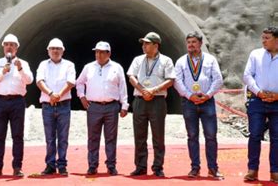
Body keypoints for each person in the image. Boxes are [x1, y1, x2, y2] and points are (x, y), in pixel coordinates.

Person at [174, 31, 224, 179]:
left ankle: (213, 168)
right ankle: (195, 167)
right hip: (189, 102)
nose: (191, 45)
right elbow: (177, 81)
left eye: (194, 42)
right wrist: (190, 95)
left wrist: (207, 95)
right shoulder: (181, 61)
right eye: (188, 42)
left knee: (210, 136)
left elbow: (218, 79)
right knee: (192, 136)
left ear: (200, 43)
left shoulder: (210, 59)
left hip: (207, 101)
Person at [76, 41, 129, 176]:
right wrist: (82, 97)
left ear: (108, 53)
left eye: (101, 52)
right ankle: (92, 165)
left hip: (111, 106)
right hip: (93, 106)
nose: (98, 55)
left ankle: (111, 165)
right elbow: (79, 82)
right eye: (96, 52)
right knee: (93, 137)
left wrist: (124, 105)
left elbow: (122, 87)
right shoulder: (88, 67)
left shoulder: (117, 67)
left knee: (111, 137)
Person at [127, 32, 175, 177]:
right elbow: (131, 76)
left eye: (147, 43)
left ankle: (158, 167)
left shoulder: (166, 61)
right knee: (139, 136)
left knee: (158, 136)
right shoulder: (138, 60)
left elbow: (170, 80)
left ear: (156, 45)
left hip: (158, 101)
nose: (144, 46)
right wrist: (143, 90)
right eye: (143, 43)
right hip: (140, 100)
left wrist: (154, 90)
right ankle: (140, 166)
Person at [0, 34, 33, 177]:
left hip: (17, 102)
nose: (9, 47)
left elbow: (29, 80)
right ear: (3, 47)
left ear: (17, 48)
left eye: (12, 44)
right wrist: (2, 72)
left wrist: (20, 69)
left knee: (17, 136)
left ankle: (17, 167)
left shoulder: (23, 63)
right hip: (0, 101)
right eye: (7, 44)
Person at [243, 26, 278, 183]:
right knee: (255, 135)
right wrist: (258, 92)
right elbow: (247, 75)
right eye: (262, 37)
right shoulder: (255, 54)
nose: (263, 41)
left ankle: (275, 171)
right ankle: (252, 170)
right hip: (257, 100)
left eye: (267, 38)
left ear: (277, 40)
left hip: (277, 102)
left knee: (276, 138)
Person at [36, 38, 76, 176]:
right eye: (52, 48)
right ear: (48, 51)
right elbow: (39, 81)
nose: (55, 51)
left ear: (63, 51)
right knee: (50, 137)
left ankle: (62, 164)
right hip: (47, 105)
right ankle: (50, 165)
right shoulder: (43, 65)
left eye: (58, 48)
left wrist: (59, 95)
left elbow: (71, 82)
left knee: (63, 137)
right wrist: (51, 94)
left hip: (64, 105)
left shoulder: (69, 65)